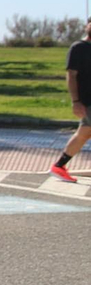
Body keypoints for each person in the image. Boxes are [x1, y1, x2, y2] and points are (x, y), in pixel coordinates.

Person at [51, 18, 91, 183]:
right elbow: (71, 76)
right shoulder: (78, 48)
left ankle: (59, 166)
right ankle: (59, 166)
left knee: (83, 134)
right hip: (87, 100)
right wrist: (75, 101)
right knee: (84, 133)